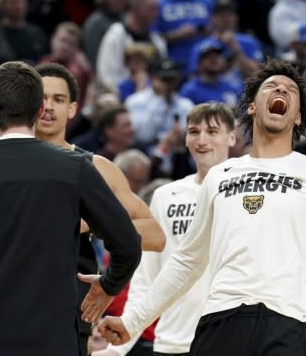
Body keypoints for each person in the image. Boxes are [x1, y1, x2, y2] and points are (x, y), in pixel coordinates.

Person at [97, 58, 306, 355]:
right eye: (271, 86)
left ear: (298, 116)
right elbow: (186, 261)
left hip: (285, 319)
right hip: (220, 318)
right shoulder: (221, 175)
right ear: (251, 106)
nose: (281, 91)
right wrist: (132, 321)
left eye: (290, 91)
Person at [0, 61, 141, 354]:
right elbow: (129, 245)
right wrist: (108, 285)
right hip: (52, 340)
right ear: (40, 110)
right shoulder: (75, 168)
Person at [34, 62, 165, 355]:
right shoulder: (6, 161)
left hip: (70, 309)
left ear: (73, 109)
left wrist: (92, 220)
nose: (49, 107)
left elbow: (155, 235)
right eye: (42, 98)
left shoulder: (96, 167)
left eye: (58, 99)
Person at [94, 102, 237, 356]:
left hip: (228, 339)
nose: (202, 140)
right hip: (172, 340)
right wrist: (120, 347)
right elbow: (146, 278)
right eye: (194, 132)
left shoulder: (245, 193)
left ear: (232, 137)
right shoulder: (166, 195)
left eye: (212, 131)